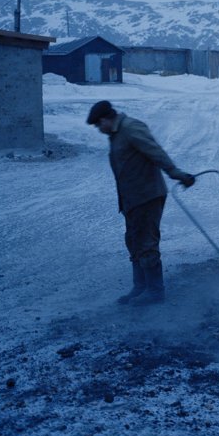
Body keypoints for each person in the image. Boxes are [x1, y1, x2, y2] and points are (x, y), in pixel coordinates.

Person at [87, 100, 194, 305]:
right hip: (132, 198)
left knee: (146, 242)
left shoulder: (130, 128)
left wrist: (174, 173)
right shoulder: (116, 134)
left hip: (147, 195)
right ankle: (140, 287)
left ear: (105, 119)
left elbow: (155, 151)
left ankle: (155, 292)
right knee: (133, 241)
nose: (99, 130)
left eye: (99, 125)